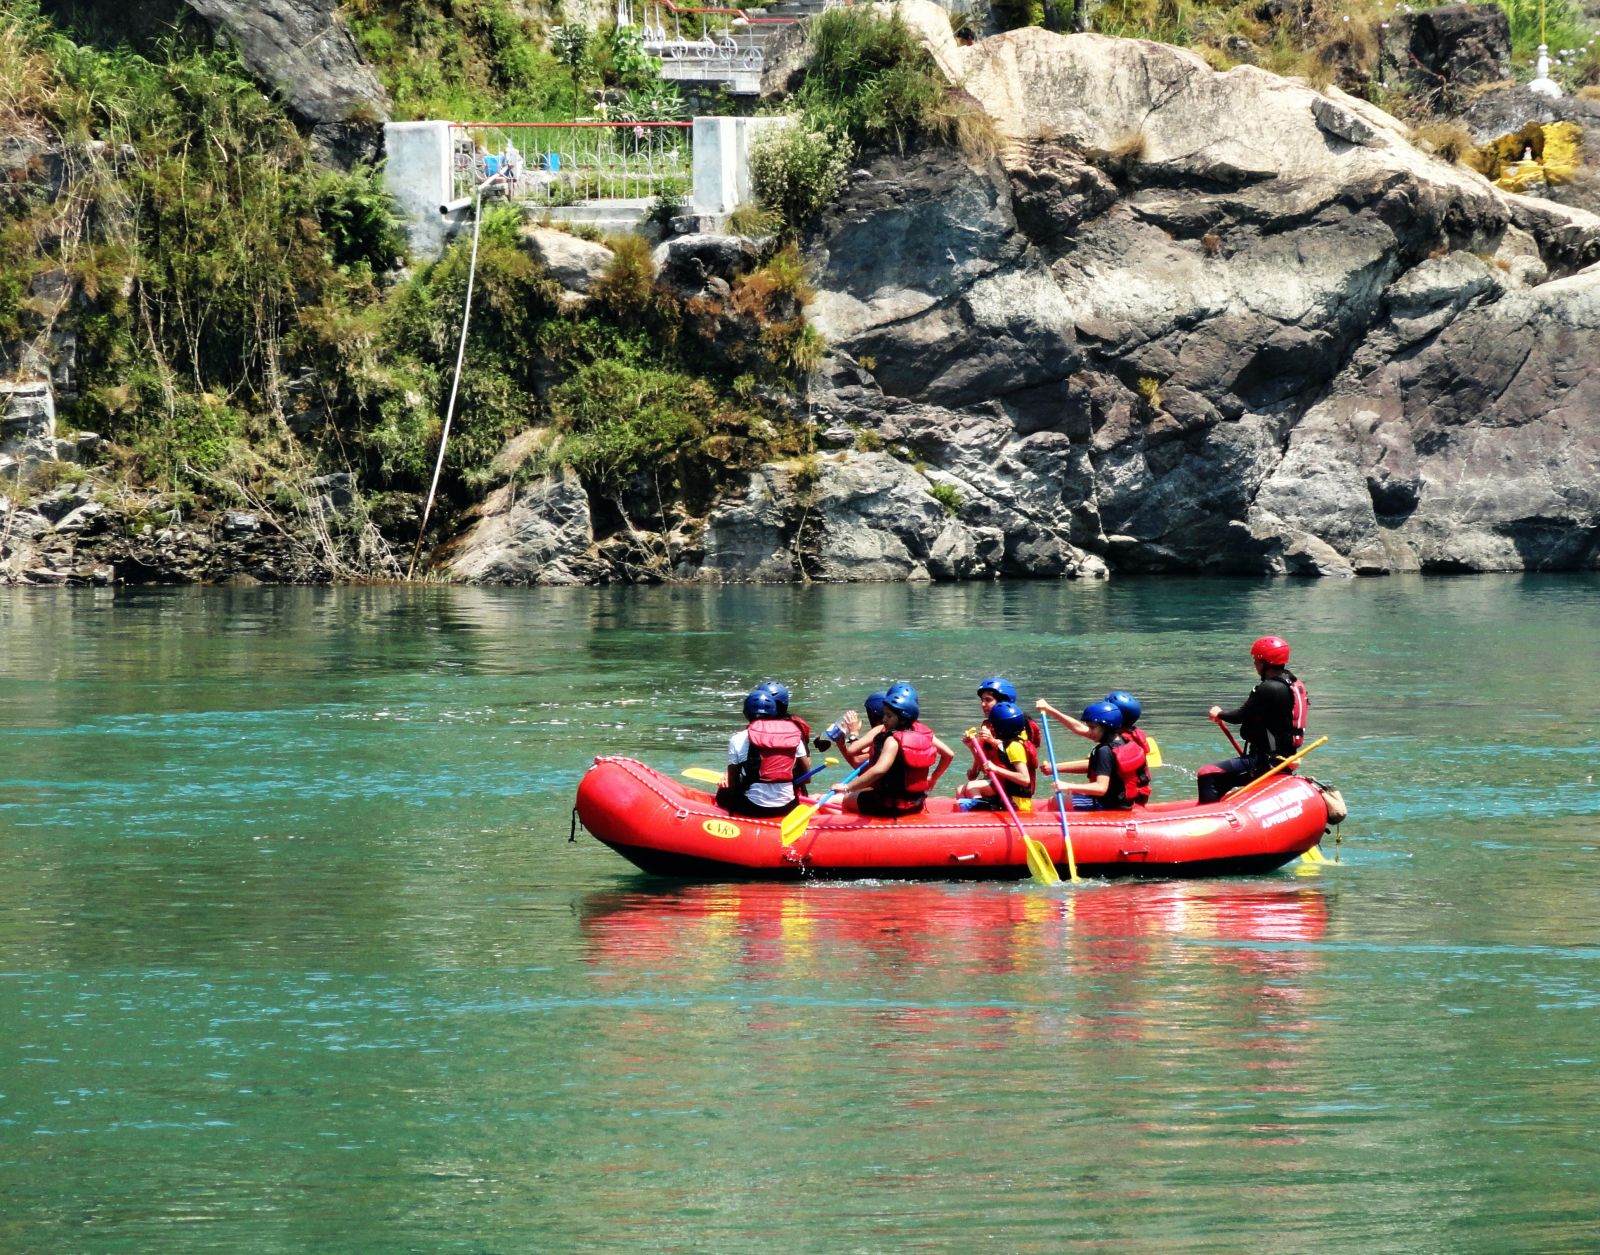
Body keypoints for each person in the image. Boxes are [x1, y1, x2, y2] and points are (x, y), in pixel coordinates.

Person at [1197, 635, 1309, 805]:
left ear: (1264, 663)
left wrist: (1219, 714)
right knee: (1223, 780)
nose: (1254, 664)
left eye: (1256, 660)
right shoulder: (1293, 683)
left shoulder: (1270, 688)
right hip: (1285, 759)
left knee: (1207, 774)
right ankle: (1220, 807)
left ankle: (1209, 824)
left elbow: (1239, 717)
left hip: (1265, 762)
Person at [835, 682, 954, 817]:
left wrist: (847, 787)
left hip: (889, 805)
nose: (884, 719)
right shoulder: (925, 735)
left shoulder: (891, 740)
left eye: (888, 716)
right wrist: (933, 778)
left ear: (901, 718)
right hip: (916, 804)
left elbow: (878, 769)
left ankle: (859, 832)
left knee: (847, 800)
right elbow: (949, 754)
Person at [716, 687, 811, 817]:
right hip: (789, 807)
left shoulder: (737, 739)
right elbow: (807, 777)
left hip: (754, 807)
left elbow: (734, 785)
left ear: (746, 713)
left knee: (722, 794)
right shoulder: (794, 735)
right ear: (774, 713)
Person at [1049, 700, 1147, 811]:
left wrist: (1067, 785)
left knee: (1055, 801)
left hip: (1106, 805)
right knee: (1074, 792)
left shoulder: (1104, 751)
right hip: (1123, 802)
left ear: (1105, 727)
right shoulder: (1123, 741)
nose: (1089, 731)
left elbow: (1101, 788)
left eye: (1092, 727)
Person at [955, 700, 1037, 813]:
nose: (991, 728)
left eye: (993, 726)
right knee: (961, 796)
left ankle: (983, 820)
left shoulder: (1014, 747)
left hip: (1015, 804)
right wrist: (972, 746)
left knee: (963, 804)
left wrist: (996, 768)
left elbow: (1025, 779)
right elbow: (982, 770)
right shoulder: (1007, 745)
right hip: (1007, 799)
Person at [816, 691, 888, 768]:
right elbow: (858, 762)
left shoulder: (882, 730)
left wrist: (854, 732)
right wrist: (841, 745)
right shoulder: (881, 735)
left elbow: (857, 761)